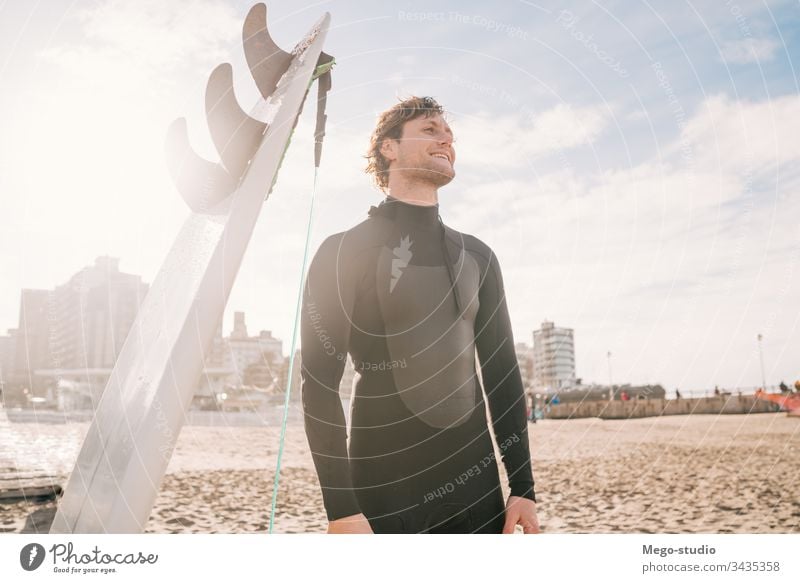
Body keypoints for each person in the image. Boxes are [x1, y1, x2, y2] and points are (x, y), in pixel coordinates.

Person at [300, 96, 538, 534]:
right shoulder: (342, 252)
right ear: (388, 148)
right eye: (430, 129)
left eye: (449, 134)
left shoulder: (479, 257)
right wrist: (341, 509)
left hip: (477, 493)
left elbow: (503, 375)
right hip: (382, 493)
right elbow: (318, 384)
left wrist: (522, 486)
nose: (446, 139)